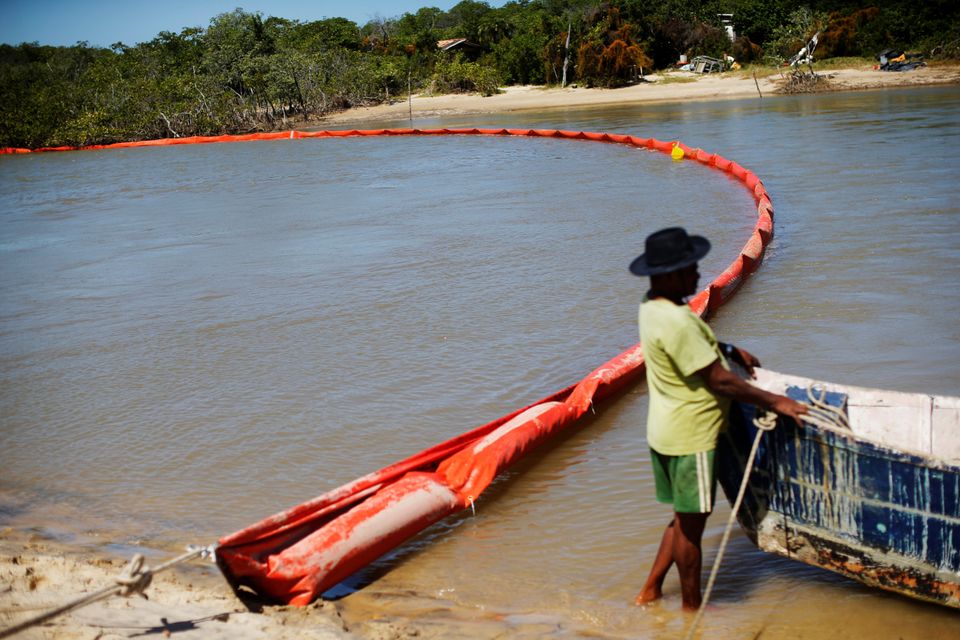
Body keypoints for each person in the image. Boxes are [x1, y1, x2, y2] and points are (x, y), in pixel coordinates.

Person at [628, 226, 807, 611]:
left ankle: (650, 591)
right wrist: (776, 401)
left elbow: (686, 349)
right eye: (690, 268)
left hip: (663, 431)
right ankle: (692, 611)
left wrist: (724, 347)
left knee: (682, 518)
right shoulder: (679, 320)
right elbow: (720, 380)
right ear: (670, 274)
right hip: (691, 436)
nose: (697, 275)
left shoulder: (652, 306)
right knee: (692, 530)